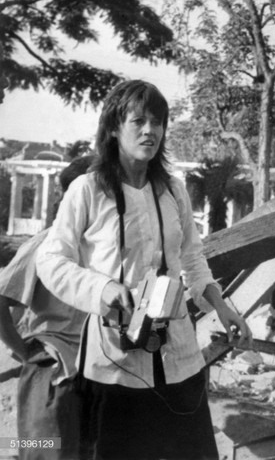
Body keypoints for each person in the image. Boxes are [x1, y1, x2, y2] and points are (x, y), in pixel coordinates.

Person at [36, 80, 252, 459]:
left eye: (158, 122)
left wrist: (221, 306)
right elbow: (51, 260)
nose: (150, 131)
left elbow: (192, 257)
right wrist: (101, 289)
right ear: (114, 128)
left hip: (178, 357)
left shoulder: (173, 190)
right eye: (138, 121)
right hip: (115, 363)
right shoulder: (87, 191)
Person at [0, 155, 93, 460]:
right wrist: (25, 352)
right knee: (44, 451)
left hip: (96, 375)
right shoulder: (44, 246)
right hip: (51, 374)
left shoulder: (105, 253)